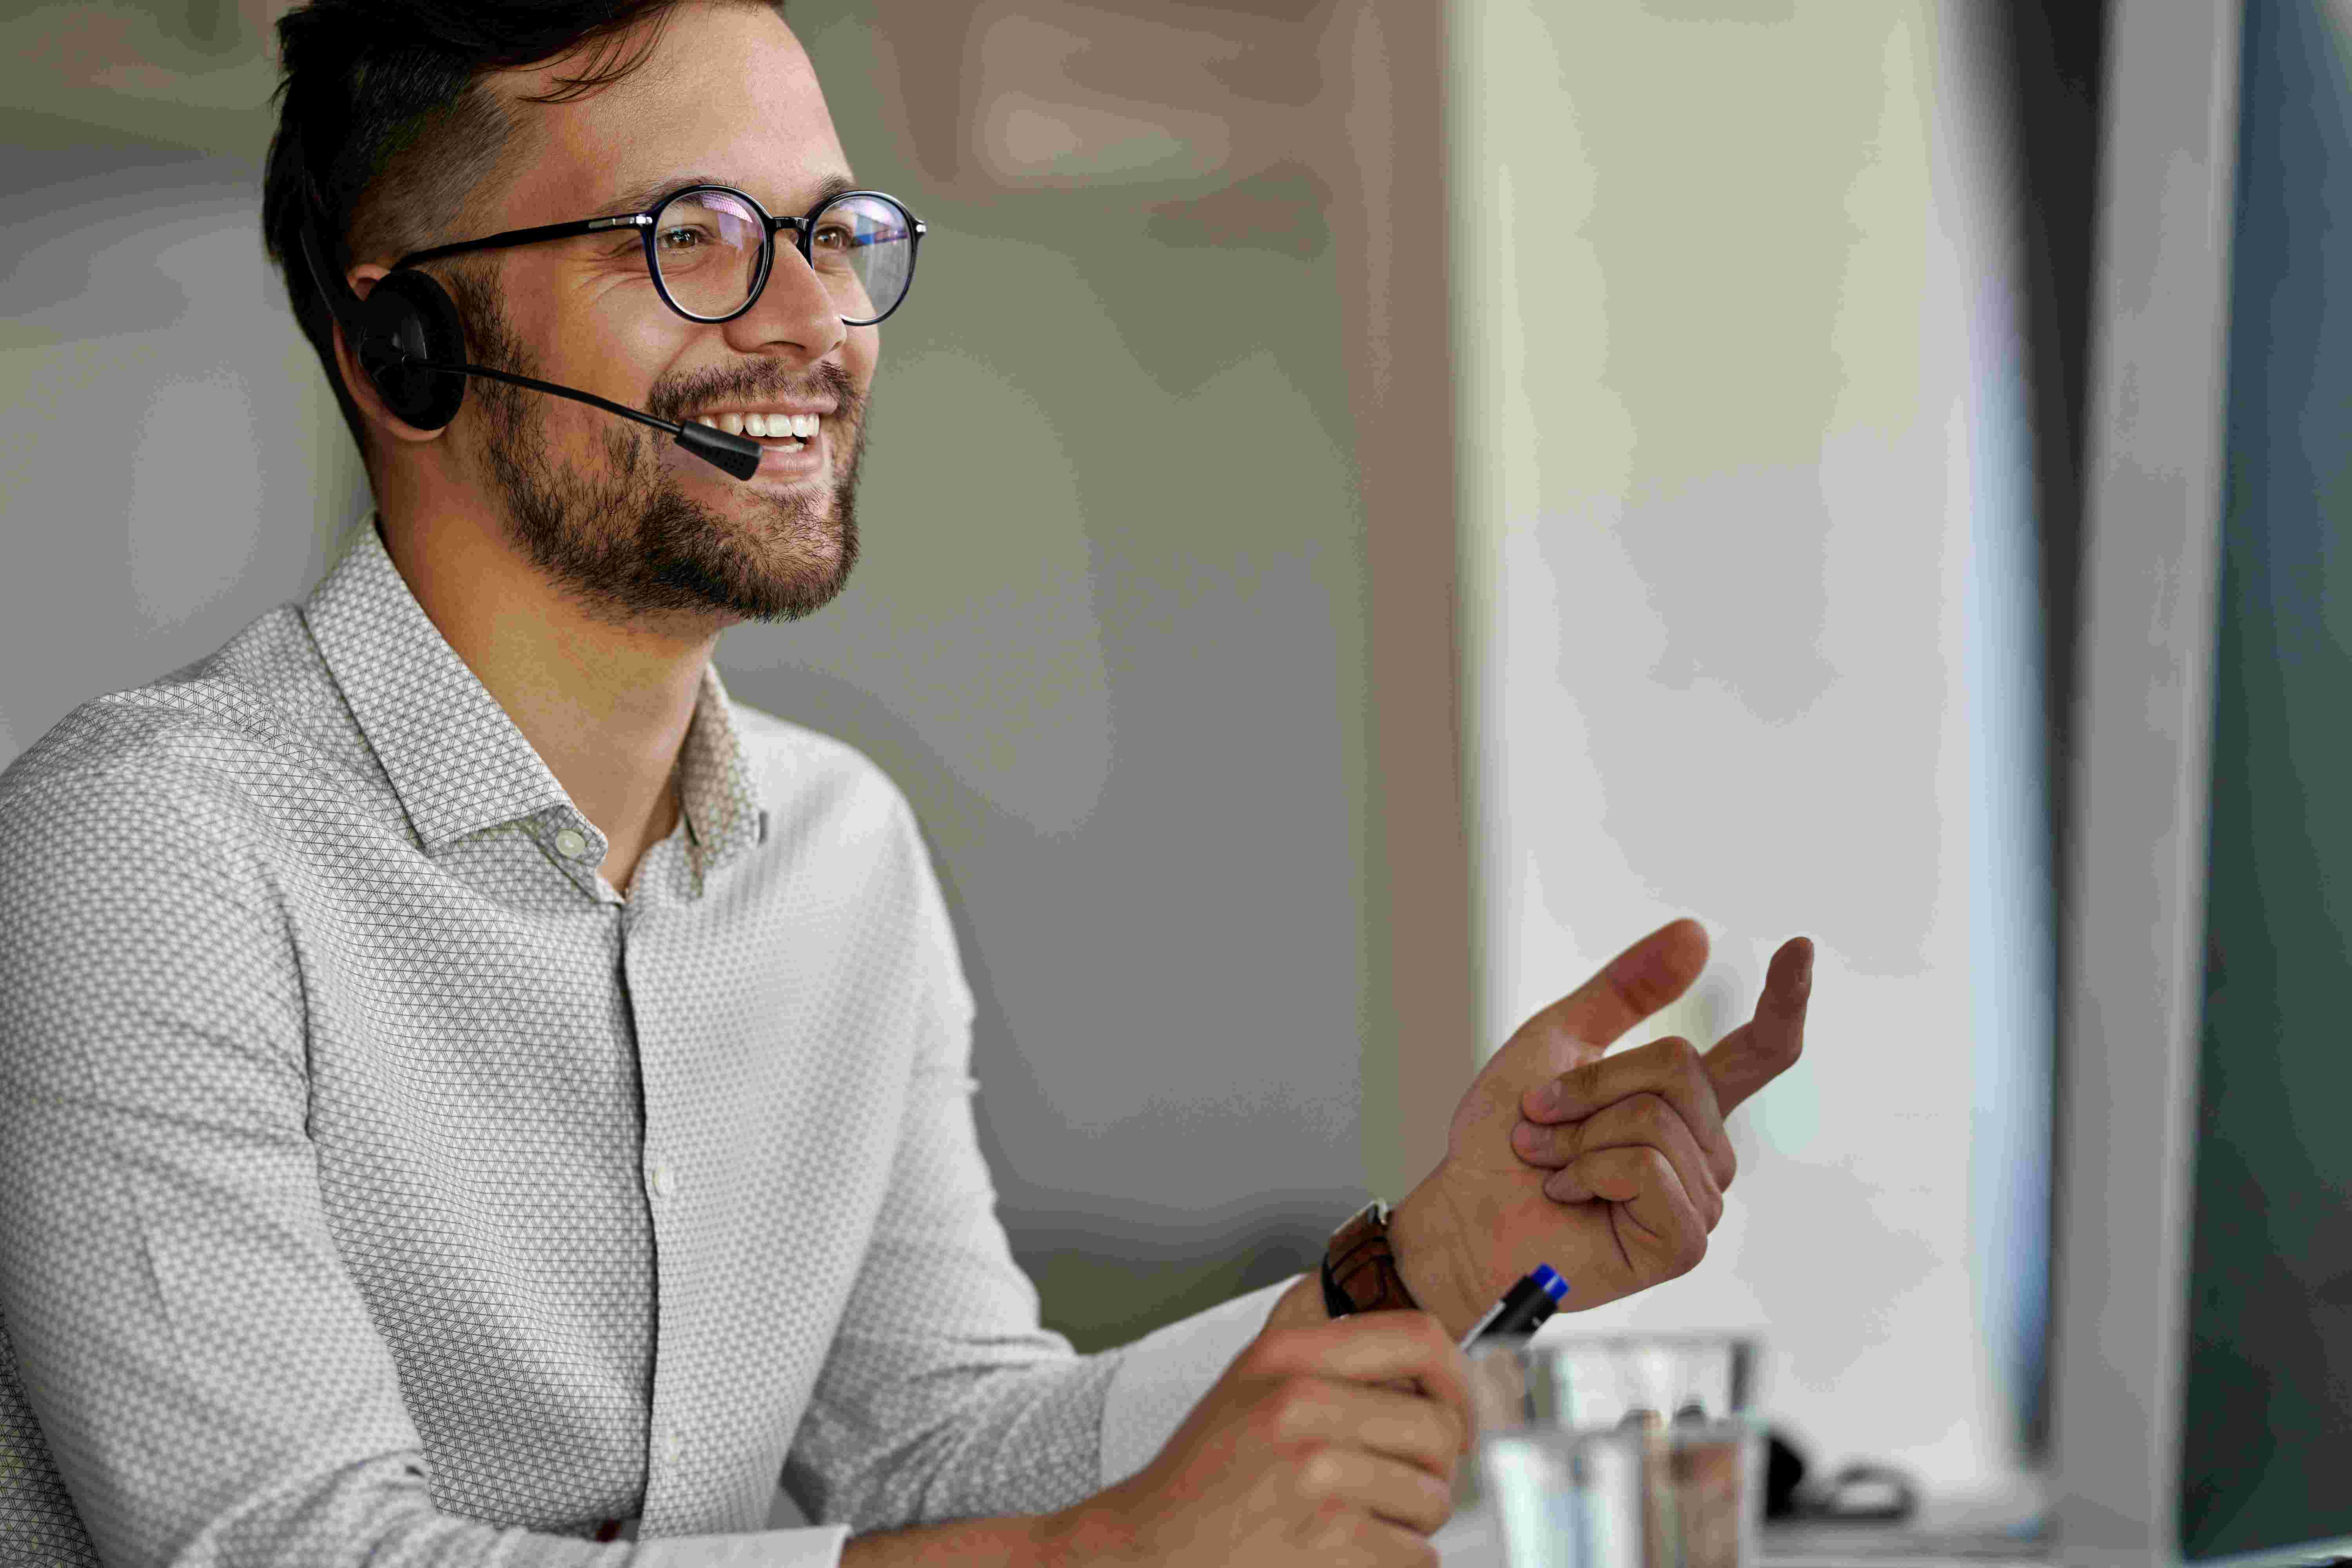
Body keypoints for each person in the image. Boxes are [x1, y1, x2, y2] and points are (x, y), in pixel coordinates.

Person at [0, 2, 1814, 1564]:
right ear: (407, 351)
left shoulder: (841, 852)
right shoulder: (144, 856)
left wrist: (1418, 1265)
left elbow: (935, 1454)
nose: (815, 322)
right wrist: (1092, 1561)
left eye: (835, 230)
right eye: (694, 234)